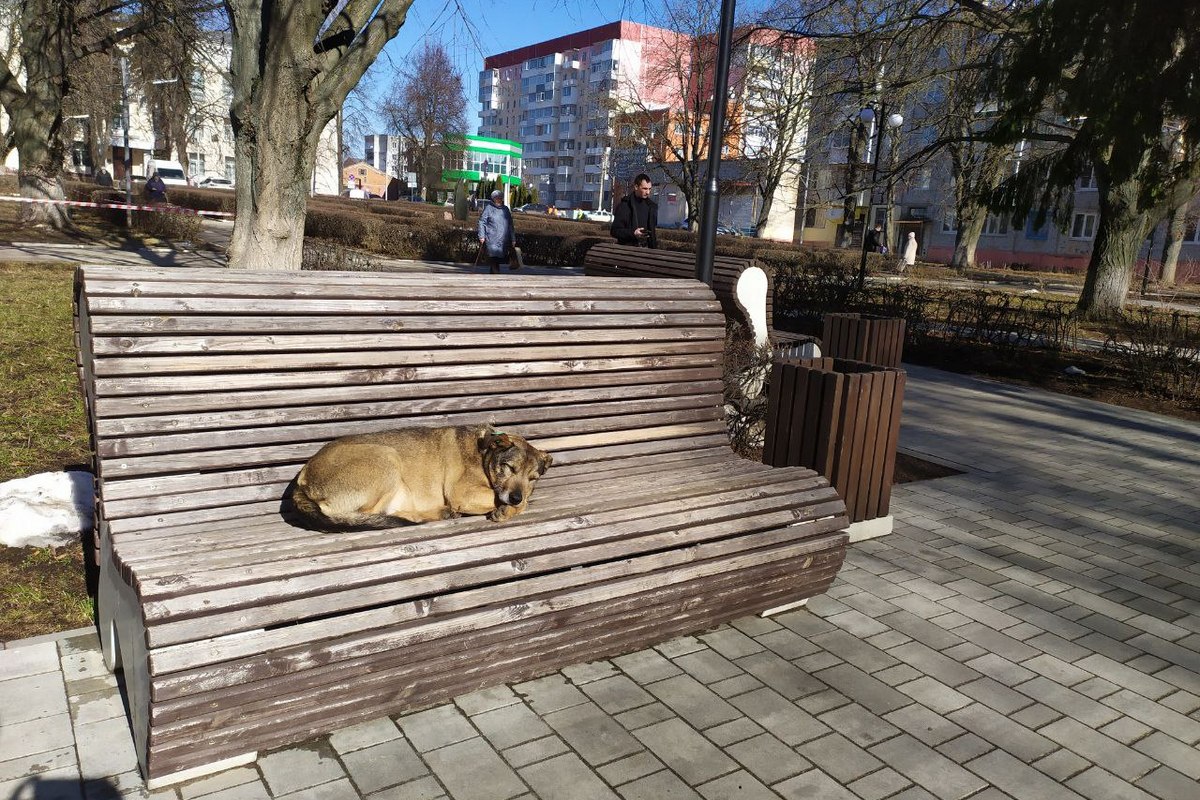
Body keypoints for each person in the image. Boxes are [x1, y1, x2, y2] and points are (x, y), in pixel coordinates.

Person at [610, 173, 658, 248]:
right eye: (645, 188)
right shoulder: (625, 205)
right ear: (636, 187)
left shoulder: (651, 206)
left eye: (649, 189)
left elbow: (652, 235)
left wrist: (654, 253)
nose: (648, 192)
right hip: (627, 251)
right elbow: (614, 231)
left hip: (646, 252)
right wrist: (633, 233)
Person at [477, 189, 516, 273]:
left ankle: (493, 277)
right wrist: (482, 236)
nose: (498, 199)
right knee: (493, 259)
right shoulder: (488, 208)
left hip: (503, 239)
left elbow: (510, 224)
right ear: (493, 199)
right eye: (496, 198)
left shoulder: (505, 209)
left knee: (497, 260)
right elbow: (482, 221)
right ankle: (495, 276)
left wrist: (513, 238)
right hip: (491, 239)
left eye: (500, 198)